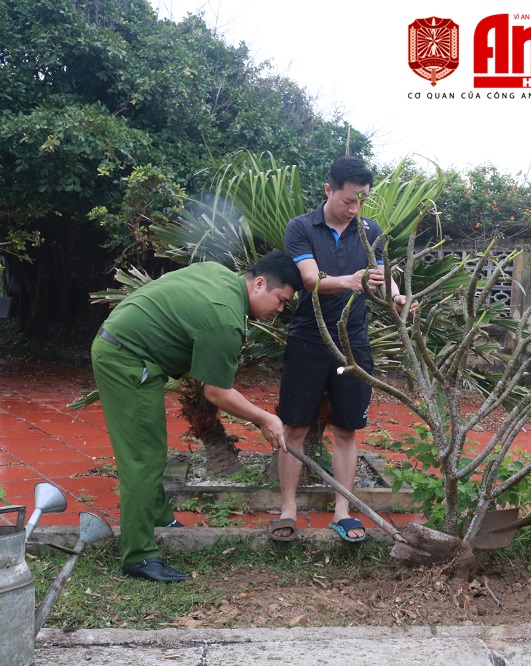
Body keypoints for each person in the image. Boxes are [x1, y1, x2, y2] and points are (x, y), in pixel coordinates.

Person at [91, 251, 302, 583]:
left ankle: (160, 519)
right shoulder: (225, 320)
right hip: (127, 359)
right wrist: (265, 418)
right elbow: (216, 392)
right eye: (280, 300)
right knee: (142, 458)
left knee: (149, 450)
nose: (280, 310)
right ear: (259, 283)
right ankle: (139, 557)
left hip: (124, 345)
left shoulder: (220, 273)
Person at [271, 157, 412, 543]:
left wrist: (397, 298)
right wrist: (350, 280)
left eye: (361, 200)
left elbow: (382, 277)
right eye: (349, 200)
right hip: (309, 339)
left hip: (354, 343)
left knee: (347, 429)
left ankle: (342, 511)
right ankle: (288, 510)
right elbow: (310, 279)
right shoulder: (301, 227)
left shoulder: (370, 230)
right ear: (328, 190)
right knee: (295, 427)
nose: (354, 209)